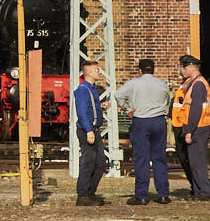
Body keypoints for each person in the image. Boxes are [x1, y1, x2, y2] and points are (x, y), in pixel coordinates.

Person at [116, 56, 173, 204]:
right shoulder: (163, 84)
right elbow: (167, 100)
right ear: (153, 70)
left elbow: (118, 95)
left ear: (140, 70)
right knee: (159, 158)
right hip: (159, 121)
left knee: (142, 159)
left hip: (141, 121)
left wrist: (128, 109)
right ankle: (163, 194)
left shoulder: (134, 83)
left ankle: (141, 195)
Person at [175, 55, 210, 201]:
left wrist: (188, 131)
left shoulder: (198, 84)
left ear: (190, 67)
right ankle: (198, 191)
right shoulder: (195, 83)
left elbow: (195, 110)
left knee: (196, 161)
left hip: (198, 128)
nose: (181, 70)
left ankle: (205, 192)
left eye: (183, 67)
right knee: (195, 160)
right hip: (199, 127)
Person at [71, 62, 110, 205]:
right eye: (96, 70)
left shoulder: (92, 89)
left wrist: (100, 106)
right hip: (87, 130)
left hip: (94, 130)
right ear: (88, 73)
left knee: (100, 163)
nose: (99, 72)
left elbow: (89, 107)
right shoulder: (82, 90)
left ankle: (90, 193)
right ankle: (82, 195)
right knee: (88, 163)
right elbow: (81, 112)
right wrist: (88, 130)